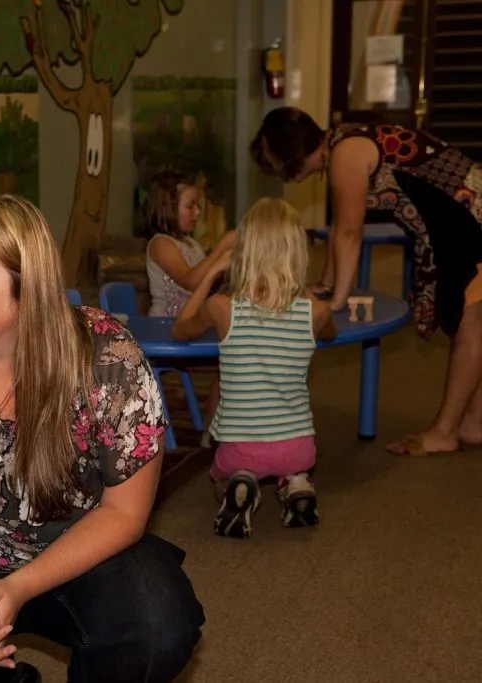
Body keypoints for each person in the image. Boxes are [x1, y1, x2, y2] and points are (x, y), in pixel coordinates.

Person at [0, 194, 205, 683]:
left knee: (158, 627)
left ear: (26, 290)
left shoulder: (109, 360)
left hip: (75, 553)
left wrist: (18, 587)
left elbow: (125, 513)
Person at [251, 106, 482, 457]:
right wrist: (326, 284)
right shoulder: (343, 143)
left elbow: (349, 232)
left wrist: (337, 302)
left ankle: (446, 432)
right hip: (459, 219)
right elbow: (338, 230)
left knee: (470, 323)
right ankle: (472, 424)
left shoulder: (345, 153)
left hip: (469, 217)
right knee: (472, 320)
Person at [171, 198, 338, 538]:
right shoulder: (317, 312)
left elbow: (181, 328)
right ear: (298, 253)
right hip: (299, 448)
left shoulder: (222, 308)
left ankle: (240, 483)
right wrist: (300, 288)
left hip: (239, 448)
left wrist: (213, 275)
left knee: (218, 479)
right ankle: (296, 484)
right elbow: (331, 332)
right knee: (291, 465)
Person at [144, 169, 234, 446]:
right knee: (227, 359)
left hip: (191, 325)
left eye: (198, 206)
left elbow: (208, 284)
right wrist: (221, 249)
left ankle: (213, 432)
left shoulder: (191, 243)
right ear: (166, 208)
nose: (197, 213)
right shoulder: (161, 244)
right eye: (190, 206)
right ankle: (213, 431)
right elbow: (193, 280)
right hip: (166, 329)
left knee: (231, 360)